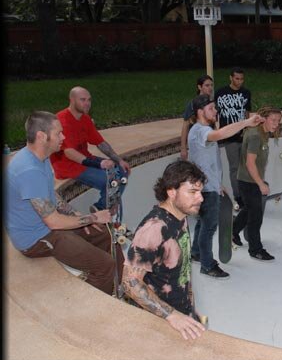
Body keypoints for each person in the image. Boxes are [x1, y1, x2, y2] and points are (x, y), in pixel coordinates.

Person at [5, 111, 123, 295]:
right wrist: (92, 217)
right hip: (36, 238)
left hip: (48, 225)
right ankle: (93, 305)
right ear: (42, 136)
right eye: (58, 133)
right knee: (105, 266)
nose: (64, 137)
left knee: (106, 235)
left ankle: (121, 286)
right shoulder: (28, 170)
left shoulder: (39, 158)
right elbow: (52, 222)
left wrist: (76, 215)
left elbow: (51, 195)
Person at [121, 160, 208, 341]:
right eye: (192, 192)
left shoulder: (181, 216)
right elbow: (130, 283)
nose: (200, 198)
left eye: (200, 191)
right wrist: (171, 315)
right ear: (171, 192)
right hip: (158, 322)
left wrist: (189, 308)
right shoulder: (153, 229)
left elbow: (182, 271)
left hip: (180, 313)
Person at [187, 94, 263, 278]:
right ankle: (207, 264)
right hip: (205, 189)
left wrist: (217, 183)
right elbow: (220, 134)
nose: (215, 111)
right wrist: (245, 122)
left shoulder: (201, 130)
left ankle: (197, 252)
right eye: (211, 108)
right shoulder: (200, 131)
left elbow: (206, 163)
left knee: (201, 223)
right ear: (200, 111)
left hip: (207, 186)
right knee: (209, 228)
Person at [50, 86, 131, 211]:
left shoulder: (85, 118)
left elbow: (100, 143)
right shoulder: (62, 121)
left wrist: (119, 160)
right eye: (83, 100)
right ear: (72, 100)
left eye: (89, 100)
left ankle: (105, 206)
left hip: (85, 159)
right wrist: (99, 164)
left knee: (122, 170)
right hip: (67, 165)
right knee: (110, 179)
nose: (87, 103)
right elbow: (70, 153)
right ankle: (103, 209)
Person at [232, 107, 282, 261]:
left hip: (250, 179)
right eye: (273, 120)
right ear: (264, 119)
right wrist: (261, 183)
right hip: (249, 181)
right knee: (256, 216)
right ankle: (255, 249)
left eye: (278, 121)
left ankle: (232, 232)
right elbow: (250, 163)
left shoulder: (262, 133)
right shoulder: (255, 136)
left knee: (248, 209)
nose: (276, 124)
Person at [215, 67, 252, 212]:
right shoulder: (220, 93)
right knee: (234, 167)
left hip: (243, 136)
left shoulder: (246, 93)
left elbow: (247, 113)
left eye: (241, 79)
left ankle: (246, 193)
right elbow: (215, 114)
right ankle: (238, 197)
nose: (239, 81)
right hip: (229, 137)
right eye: (236, 78)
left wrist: (247, 129)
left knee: (246, 166)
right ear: (231, 78)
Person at [180, 75, 214, 160]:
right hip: (198, 145)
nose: (210, 88)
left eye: (211, 85)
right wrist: (183, 148)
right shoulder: (192, 105)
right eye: (207, 85)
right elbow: (185, 126)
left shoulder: (211, 103)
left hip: (210, 143)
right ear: (199, 87)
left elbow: (213, 123)